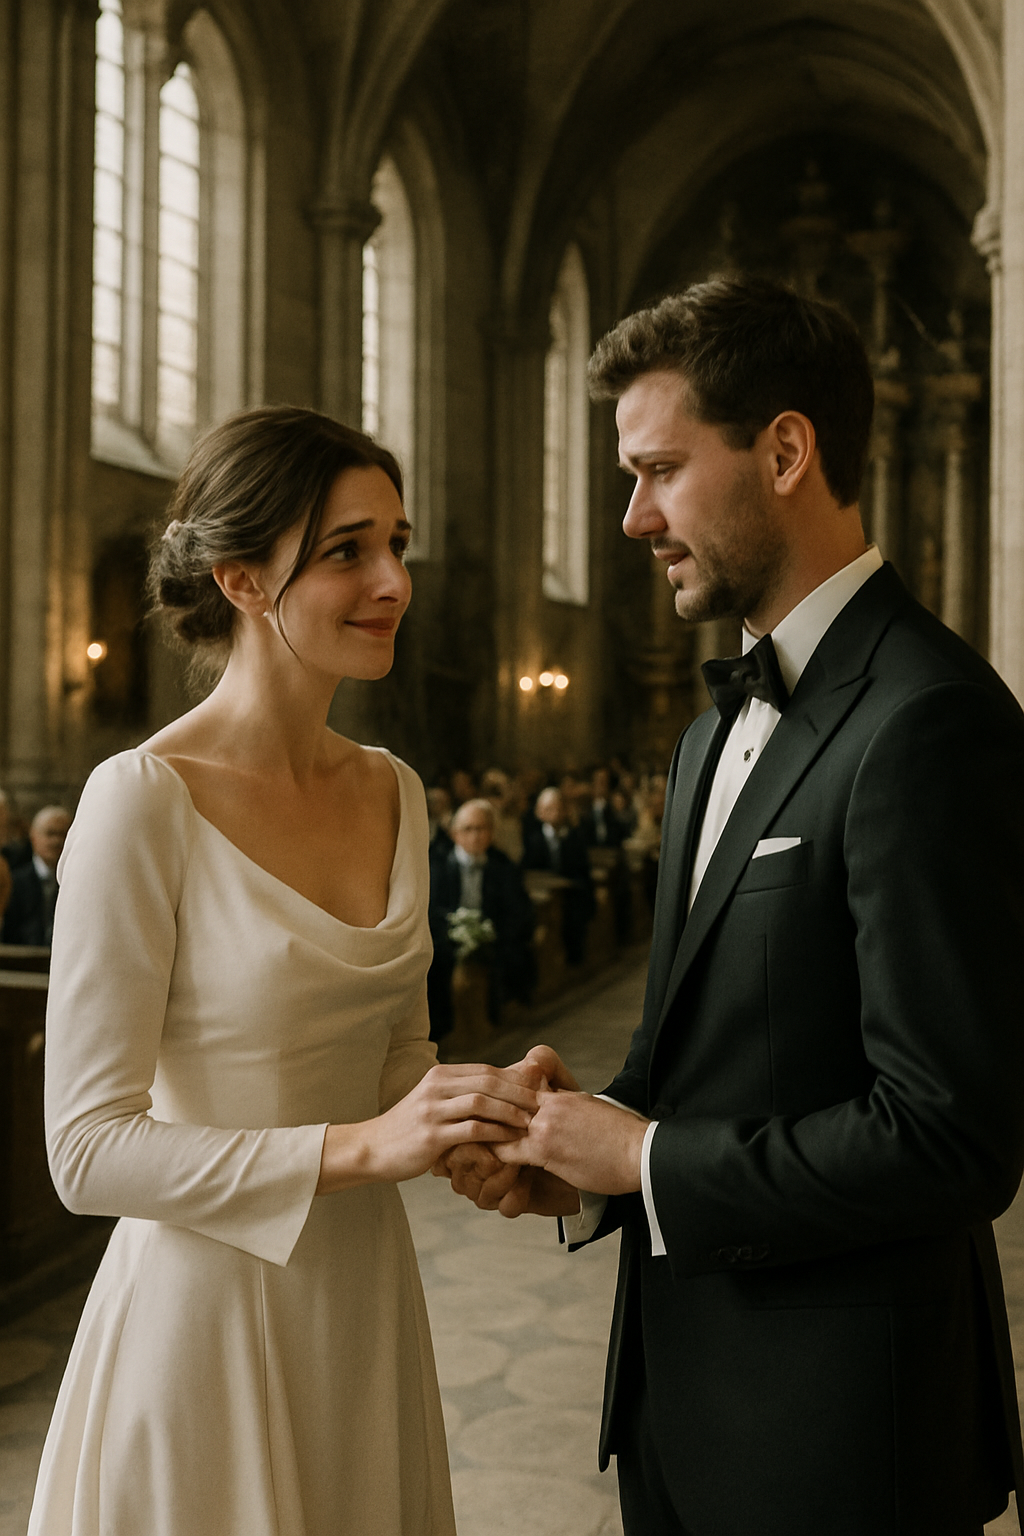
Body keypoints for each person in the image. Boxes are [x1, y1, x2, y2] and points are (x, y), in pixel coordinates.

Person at [440, 277, 1024, 1536]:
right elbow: (703, 1053)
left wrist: (645, 1158)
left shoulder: (930, 721)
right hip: (680, 1403)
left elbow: (952, 1140)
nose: (631, 515)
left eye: (658, 470)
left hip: (844, 1442)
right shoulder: (711, 736)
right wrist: (584, 1162)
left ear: (785, 451)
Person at [28, 405, 540, 1536]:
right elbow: (87, 1150)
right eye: (347, 550)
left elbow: (394, 1058)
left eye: (396, 543)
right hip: (204, 1320)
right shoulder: (141, 800)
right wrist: (363, 1148)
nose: (393, 580)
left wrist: (487, 1114)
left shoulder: (397, 790)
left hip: (359, 1303)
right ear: (244, 581)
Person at [426, 798, 536, 1039]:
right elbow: (432, 910)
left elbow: (517, 909)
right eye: (468, 829)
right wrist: (456, 933)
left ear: (491, 833)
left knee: (513, 953)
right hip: (448, 937)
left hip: (491, 935)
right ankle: (444, 1031)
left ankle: (498, 1020)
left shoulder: (502, 865)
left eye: (481, 828)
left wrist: (490, 934)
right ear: (455, 833)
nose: (475, 835)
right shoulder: (438, 865)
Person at [521, 786, 595, 964]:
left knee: (575, 915)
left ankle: (574, 960)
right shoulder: (532, 840)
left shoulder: (575, 838)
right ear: (539, 813)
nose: (553, 814)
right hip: (544, 894)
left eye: (557, 808)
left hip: (572, 895)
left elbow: (583, 871)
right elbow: (529, 871)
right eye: (548, 809)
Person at [0, 805, 71, 945]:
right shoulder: (13, 882)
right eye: (50, 834)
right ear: (34, 837)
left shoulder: (76, 884)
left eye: (63, 834)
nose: (57, 841)